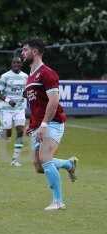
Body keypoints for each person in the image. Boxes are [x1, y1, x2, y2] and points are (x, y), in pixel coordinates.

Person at [21, 38, 78, 211]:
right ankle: (69, 164)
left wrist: (45, 123)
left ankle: (58, 201)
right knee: (39, 166)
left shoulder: (47, 73)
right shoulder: (30, 76)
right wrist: (30, 124)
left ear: (35, 52)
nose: (22, 53)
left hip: (52, 122)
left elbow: (53, 101)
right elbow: (34, 104)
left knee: (45, 158)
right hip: (38, 124)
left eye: (25, 50)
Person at [0, 57, 28, 167]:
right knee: (8, 134)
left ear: (21, 64)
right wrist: (9, 100)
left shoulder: (25, 76)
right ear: (11, 64)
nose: (16, 64)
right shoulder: (5, 76)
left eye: (18, 62)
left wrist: (26, 94)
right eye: (14, 62)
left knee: (20, 131)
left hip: (20, 108)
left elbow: (27, 90)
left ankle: (14, 160)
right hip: (7, 109)